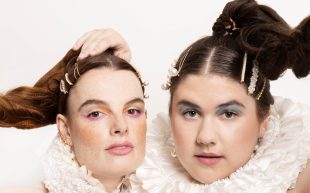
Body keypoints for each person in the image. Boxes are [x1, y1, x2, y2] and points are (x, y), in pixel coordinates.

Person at [73, 0, 310, 192]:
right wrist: (109, 75)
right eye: (191, 112)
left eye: (228, 113)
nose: (205, 138)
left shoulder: (295, 176)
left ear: (263, 124)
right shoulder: (141, 175)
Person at [0, 48, 148, 193]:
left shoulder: (166, 183)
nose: (121, 126)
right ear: (65, 129)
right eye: (96, 113)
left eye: (132, 111)